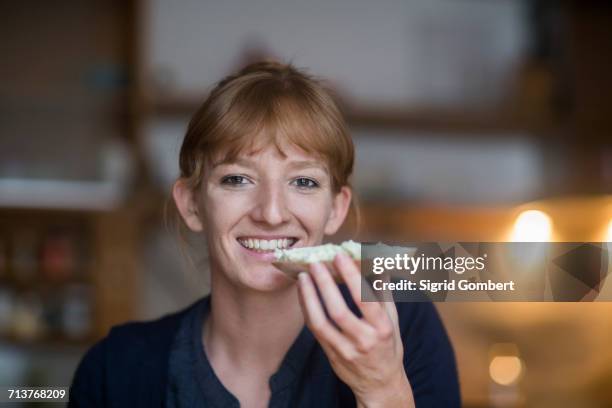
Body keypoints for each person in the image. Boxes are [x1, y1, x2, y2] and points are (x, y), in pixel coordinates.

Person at [69, 61, 461, 407]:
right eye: (237, 179)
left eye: (304, 182)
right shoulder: (114, 369)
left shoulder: (406, 329)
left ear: (336, 208)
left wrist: (383, 391)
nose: (271, 213)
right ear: (191, 204)